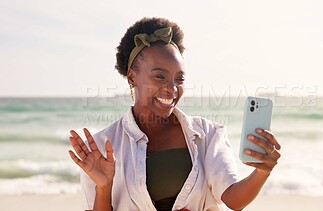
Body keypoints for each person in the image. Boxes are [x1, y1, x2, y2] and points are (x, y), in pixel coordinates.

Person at [68, 17, 281, 211]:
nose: (172, 88)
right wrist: (103, 187)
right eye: (159, 76)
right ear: (132, 77)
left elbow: (233, 200)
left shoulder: (207, 134)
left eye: (179, 79)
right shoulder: (102, 147)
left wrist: (262, 172)